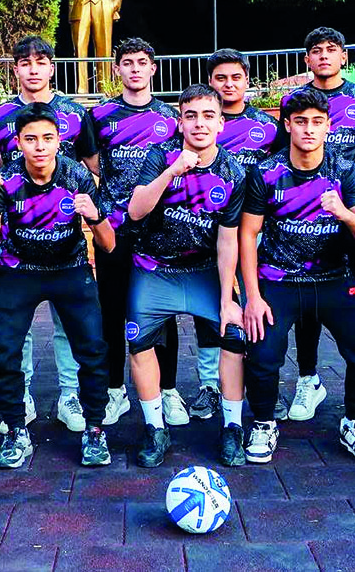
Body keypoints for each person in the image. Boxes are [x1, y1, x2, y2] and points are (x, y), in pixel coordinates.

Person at [0, 102, 116, 467]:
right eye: (30, 139)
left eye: (48, 138)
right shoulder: (8, 179)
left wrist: (95, 217)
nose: (40, 146)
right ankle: (16, 430)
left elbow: (109, 245)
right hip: (19, 271)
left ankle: (95, 430)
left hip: (70, 269)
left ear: (59, 140)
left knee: (93, 350)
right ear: (18, 143)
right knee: (5, 353)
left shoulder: (76, 176)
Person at [242, 88, 355, 465]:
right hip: (278, 279)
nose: (308, 129)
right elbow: (247, 234)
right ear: (288, 125)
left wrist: (344, 213)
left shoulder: (345, 171)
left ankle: (354, 421)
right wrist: (252, 297)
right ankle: (263, 423)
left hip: (333, 277)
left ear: (328, 127)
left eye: (317, 122)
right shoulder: (266, 173)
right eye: (301, 121)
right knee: (262, 354)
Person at [0, 35, 97, 433]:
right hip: (18, 242)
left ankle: (70, 396)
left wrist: (98, 211)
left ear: (52, 67)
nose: (33, 69)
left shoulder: (74, 113)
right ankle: (21, 394)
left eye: (41, 62)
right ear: (15, 69)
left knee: (68, 328)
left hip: (65, 241)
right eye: (24, 62)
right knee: (16, 333)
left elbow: (94, 166)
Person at [124, 84, 248, 468]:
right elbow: (136, 210)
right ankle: (155, 428)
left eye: (208, 116)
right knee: (138, 342)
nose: (199, 124)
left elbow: (228, 240)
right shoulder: (159, 155)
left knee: (234, 334)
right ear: (179, 122)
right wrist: (172, 171)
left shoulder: (233, 171)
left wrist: (227, 298)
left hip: (203, 270)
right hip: (155, 268)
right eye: (190, 116)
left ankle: (232, 427)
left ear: (221, 123)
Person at [276, 27, 355, 424]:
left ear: (344, 57)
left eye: (331, 49)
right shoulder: (293, 101)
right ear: (307, 59)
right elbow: (281, 157)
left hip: (354, 214)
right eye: (316, 50)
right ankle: (309, 380)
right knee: (305, 299)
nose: (324, 55)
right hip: (306, 217)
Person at [91, 37, 189, 429]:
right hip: (113, 230)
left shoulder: (169, 116)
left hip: (157, 233)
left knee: (161, 314)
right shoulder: (100, 115)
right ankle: (115, 390)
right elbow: (92, 162)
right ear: (117, 69)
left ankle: (168, 390)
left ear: (153, 68)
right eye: (127, 62)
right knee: (112, 312)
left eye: (142, 62)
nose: (135, 68)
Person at [189, 48, 284, 422]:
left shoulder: (268, 127)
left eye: (236, 77)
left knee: (257, 306)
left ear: (247, 80)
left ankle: (262, 384)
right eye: (220, 78)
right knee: (211, 309)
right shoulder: (200, 120)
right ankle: (210, 386)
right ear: (210, 82)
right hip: (205, 231)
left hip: (254, 232)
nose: (228, 84)